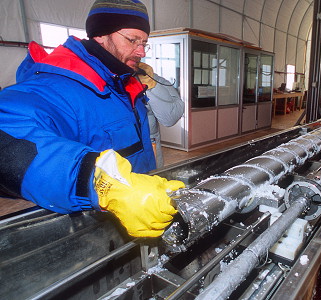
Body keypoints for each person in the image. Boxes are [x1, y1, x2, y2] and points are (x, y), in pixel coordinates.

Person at [0, 0, 185, 238]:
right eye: (132, 40)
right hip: (93, 229)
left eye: (144, 43)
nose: (141, 51)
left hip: (137, 218)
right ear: (100, 35)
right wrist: (101, 184)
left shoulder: (123, 83)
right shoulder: (57, 87)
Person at [138, 62, 184, 168]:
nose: (141, 52)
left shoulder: (151, 77)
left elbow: (170, 118)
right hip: (114, 151)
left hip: (148, 146)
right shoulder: (103, 78)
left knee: (152, 181)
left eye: (143, 45)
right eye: (133, 44)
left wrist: (149, 87)